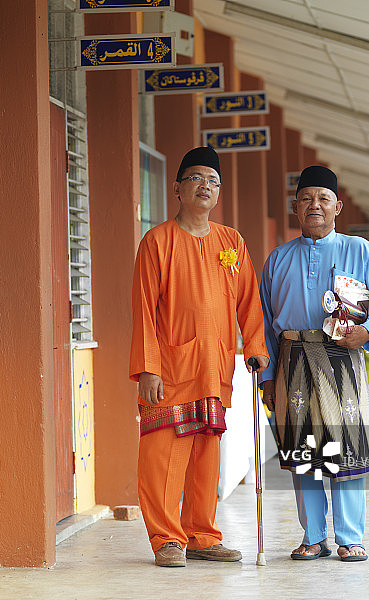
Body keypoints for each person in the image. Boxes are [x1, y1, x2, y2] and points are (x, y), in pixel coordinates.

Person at [130, 146, 269, 568]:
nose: (205, 186)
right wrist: (148, 367)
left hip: (215, 366)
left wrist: (256, 348)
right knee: (163, 456)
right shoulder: (157, 242)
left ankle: (201, 535)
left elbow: (249, 300)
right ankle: (166, 539)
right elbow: (143, 309)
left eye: (213, 181)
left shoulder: (232, 241)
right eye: (196, 178)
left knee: (206, 455)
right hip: (170, 367)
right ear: (177, 188)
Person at [259, 165, 369, 563]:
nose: (315, 205)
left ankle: (350, 537)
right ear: (295, 207)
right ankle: (314, 536)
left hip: (342, 356)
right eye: (306, 199)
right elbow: (265, 323)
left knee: (346, 448)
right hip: (293, 359)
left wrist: (368, 332)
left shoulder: (361, 251)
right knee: (304, 450)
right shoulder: (277, 259)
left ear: (337, 206)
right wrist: (268, 377)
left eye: (323, 198)